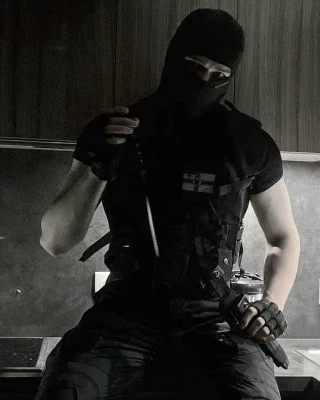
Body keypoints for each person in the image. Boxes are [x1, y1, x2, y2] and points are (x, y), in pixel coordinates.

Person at [36, 8, 300, 400]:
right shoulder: (115, 130)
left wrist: (271, 304)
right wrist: (99, 167)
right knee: (66, 391)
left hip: (216, 320)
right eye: (195, 66)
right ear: (173, 58)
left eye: (219, 75)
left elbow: (283, 236)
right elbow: (55, 241)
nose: (204, 81)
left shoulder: (250, 144)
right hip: (123, 318)